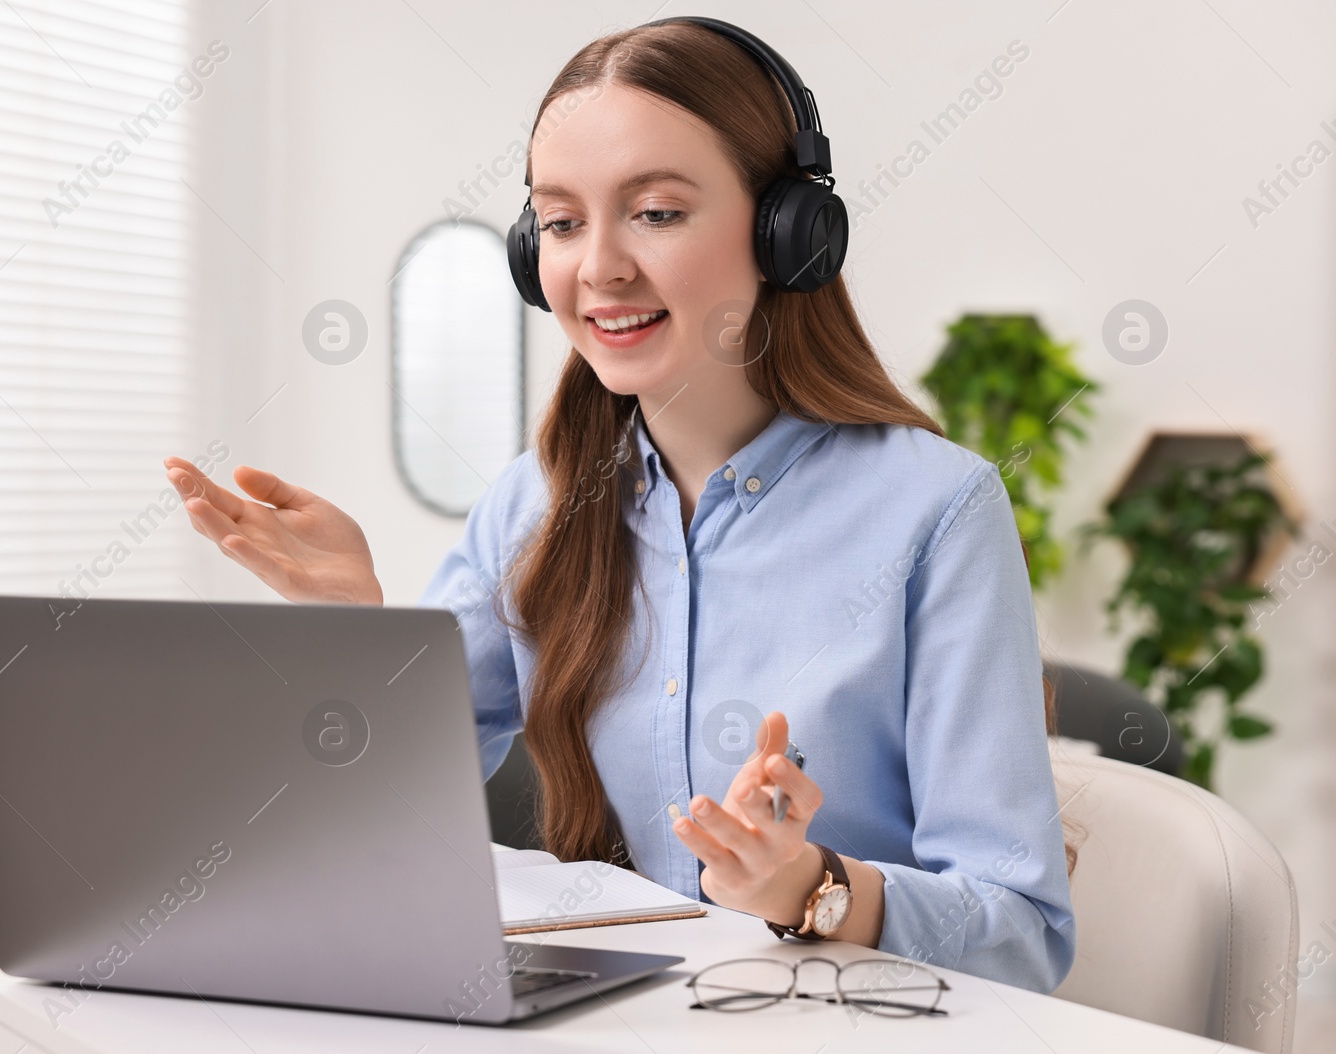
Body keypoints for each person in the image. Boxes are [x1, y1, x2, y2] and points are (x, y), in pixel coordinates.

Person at [163, 17, 1077, 995]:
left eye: (655, 212)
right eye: (559, 222)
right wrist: (356, 632)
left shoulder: (933, 509)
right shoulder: (534, 502)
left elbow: (1022, 930)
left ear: (788, 232)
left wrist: (810, 886)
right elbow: (385, 812)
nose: (597, 266)